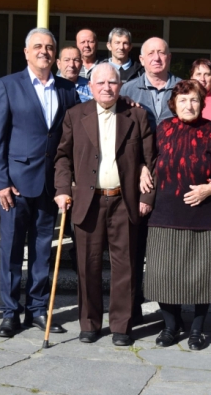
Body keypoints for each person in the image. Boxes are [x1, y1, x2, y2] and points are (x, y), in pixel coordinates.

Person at [0, 27, 79, 338]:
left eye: (49, 47)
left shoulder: (67, 89)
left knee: (42, 252)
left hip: (50, 186)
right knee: (11, 252)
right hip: (14, 186)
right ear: (26, 52)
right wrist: (0, 183)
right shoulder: (8, 85)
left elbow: (72, 136)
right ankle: (10, 313)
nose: (44, 51)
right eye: (37, 46)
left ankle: (37, 309)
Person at [54, 63, 155, 346]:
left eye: (112, 82)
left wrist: (147, 197)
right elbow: (62, 157)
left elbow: (151, 159)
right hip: (88, 202)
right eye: (100, 83)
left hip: (125, 201)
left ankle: (122, 326)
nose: (106, 88)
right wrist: (62, 189)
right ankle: (89, 323)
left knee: (125, 267)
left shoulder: (136, 115)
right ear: (90, 87)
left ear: (120, 86)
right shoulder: (75, 115)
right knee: (88, 266)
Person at [142, 79, 211, 350]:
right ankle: (170, 326)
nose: (188, 105)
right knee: (163, 275)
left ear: (202, 103)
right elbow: (148, 159)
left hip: (205, 215)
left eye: (194, 99)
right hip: (166, 214)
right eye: (183, 100)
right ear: (173, 104)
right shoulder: (163, 129)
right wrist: (142, 169)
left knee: (202, 276)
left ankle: (197, 329)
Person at [120, 37, 181, 324]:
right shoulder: (126, 91)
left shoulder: (184, 89)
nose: (157, 57)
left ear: (169, 57)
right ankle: (132, 310)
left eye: (162, 52)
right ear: (141, 60)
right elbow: (119, 139)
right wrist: (141, 166)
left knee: (168, 252)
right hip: (138, 181)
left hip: (174, 181)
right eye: (150, 53)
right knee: (133, 249)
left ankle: (172, 317)